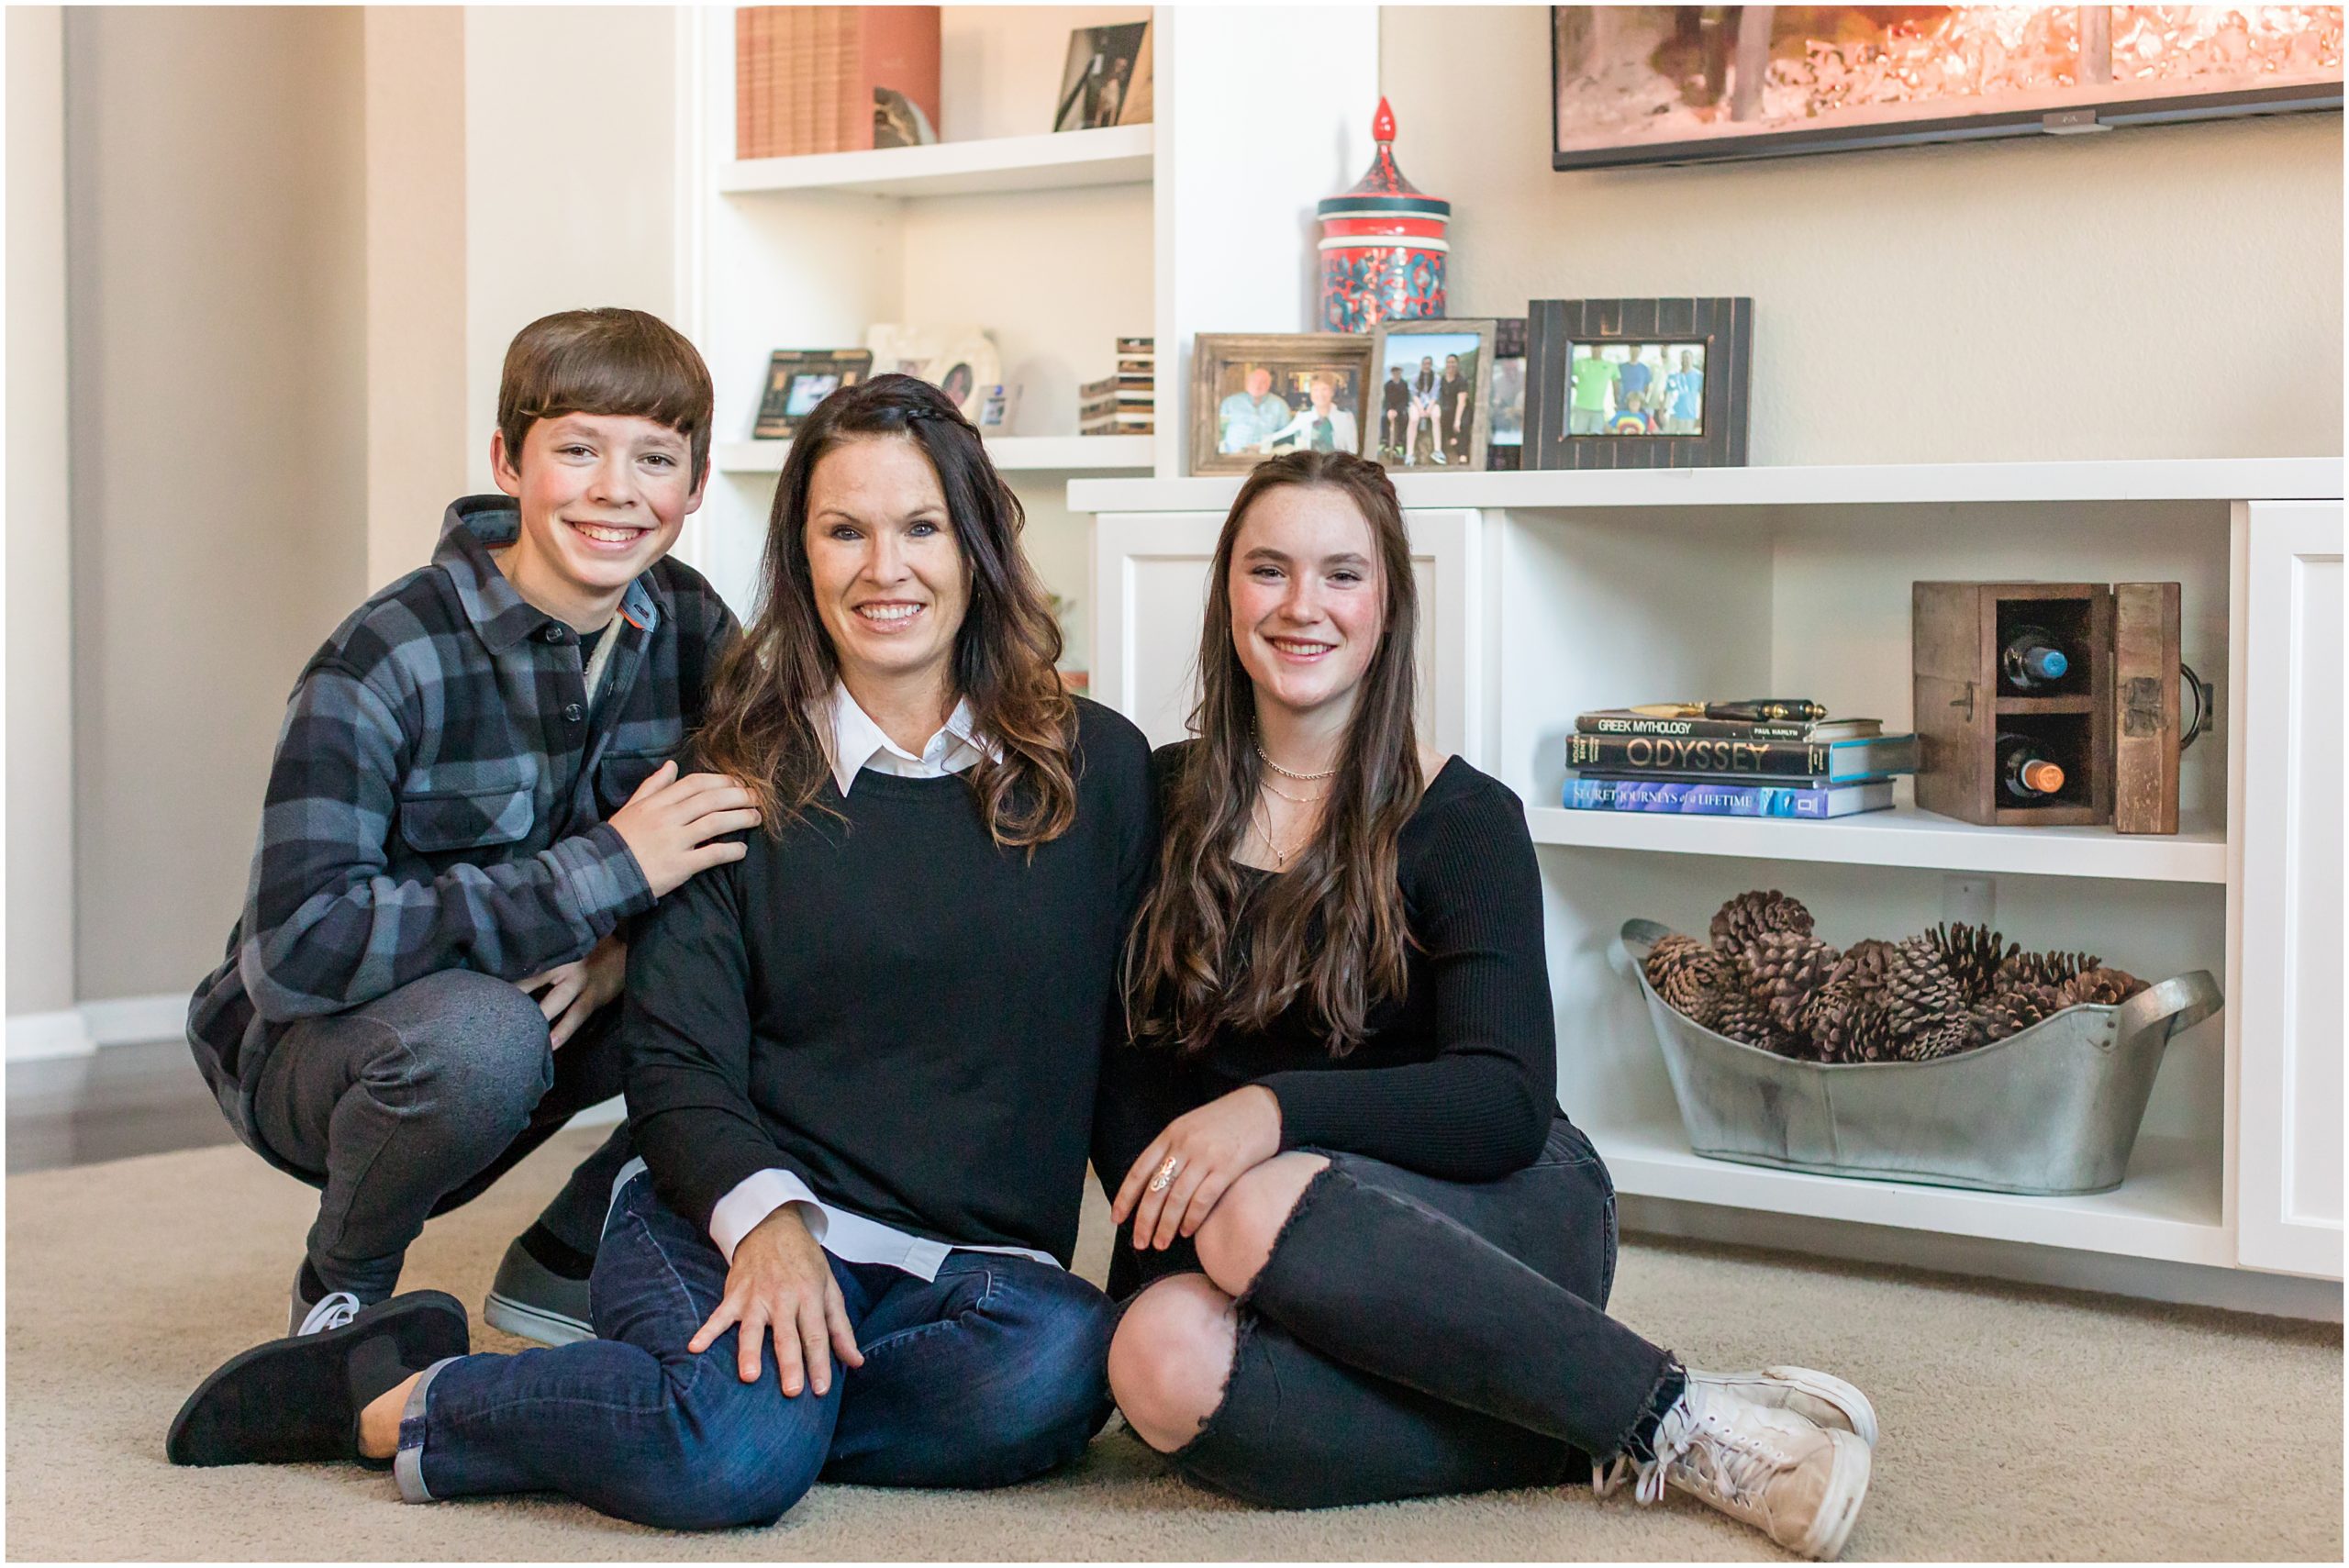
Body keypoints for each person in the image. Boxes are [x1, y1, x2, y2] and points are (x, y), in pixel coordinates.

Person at [169, 374, 1156, 1534]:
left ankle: (706, 1403)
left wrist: (1168, 1283)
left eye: (921, 527)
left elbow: (1128, 1041)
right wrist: (772, 1225)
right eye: (843, 530)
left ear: (978, 544)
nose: (884, 568)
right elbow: (679, 1060)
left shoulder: (1098, 766)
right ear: (799, 559)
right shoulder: (727, 773)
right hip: (724, 1211)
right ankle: (387, 1396)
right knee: (731, 1462)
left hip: (965, 1262)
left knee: (1060, 1370)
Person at [1092, 450, 1877, 1561]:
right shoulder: (1151, 800)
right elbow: (1121, 1063)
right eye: (1268, 569)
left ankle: (1674, 1420)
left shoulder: (1463, 817)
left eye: (1341, 575)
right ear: (1227, 591)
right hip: (1246, 1242)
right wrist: (1167, 1244)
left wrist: (1270, 1111)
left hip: (1495, 1214)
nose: (1301, 605)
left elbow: (1503, 1100)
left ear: (1389, 606)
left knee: (1257, 1201)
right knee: (1154, 1359)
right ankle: (1568, 1421)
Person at [174, 307, 744, 1372]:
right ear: (507, 461)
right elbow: (298, 947)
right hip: (337, 1048)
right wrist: (601, 875)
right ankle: (340, 1292)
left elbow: (746, 839)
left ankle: (569, 1252)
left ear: (696, 485)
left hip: (558, 1012)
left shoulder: (696, 626)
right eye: (577, 448)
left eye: (655, 458)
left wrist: (628, 950)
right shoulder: (384, 656)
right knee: (481, 1037)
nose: (616, 489)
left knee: (788, 973)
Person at [1264, 373, 1359, 457]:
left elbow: (1353, 449)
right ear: (1311, 393)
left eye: (1324, 389)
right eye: (1315, 390)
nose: (1320, 394)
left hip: (1337, 467)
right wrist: (1262, 441)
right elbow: (1285, 432)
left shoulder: (1345, 416)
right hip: (1310, 466)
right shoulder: (1303, 415)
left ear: (1332, 392)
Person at [1219, 366, 1293, 454]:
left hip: (1266, 457)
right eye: (1254, 381)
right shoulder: (1230, 402)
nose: (1258, 385)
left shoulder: (1280, 405)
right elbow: (1219, 431)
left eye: (1263, 382)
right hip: (1233, 455)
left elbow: (1286, 435)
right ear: (1246, 383)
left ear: (1269, 384)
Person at [1569, 347, 1620, 436]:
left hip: (1599, 410)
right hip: (1581, 408)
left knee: (1597, 438)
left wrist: (1616, 401)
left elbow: (1616, 383)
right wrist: (1574, 385)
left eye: (1599, 347)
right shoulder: (1580, 363)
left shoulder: (1610, 366)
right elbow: (1565, 373)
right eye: (1594, 347)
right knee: (1577, 436)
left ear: (1603, 348)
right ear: (1590, 348)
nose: (1596, 349)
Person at [1406, 353, 1443, 462]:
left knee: (1436, 416)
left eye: (1429, 364)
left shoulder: (1436, 378)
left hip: (1431, 404)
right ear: (1421, 365)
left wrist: (1429, 409)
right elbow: (1414, 395)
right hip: (1417, 404)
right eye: (1425, 364)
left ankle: (1437, 450)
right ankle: (1409, 453)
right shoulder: (1415, 378)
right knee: (1414, 419)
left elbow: (1435, 395)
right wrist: (1421, 409)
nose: (1427, 366)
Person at [1439, 351, 1475, 462]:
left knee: (1463, 425)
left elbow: (1462, 402)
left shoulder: (1461, 380)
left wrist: (1457, 420)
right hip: (1448, 409)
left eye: (1453, 362)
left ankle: (1463, 455)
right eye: (1448, 362)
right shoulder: (1442, 380)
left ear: (1457, 364)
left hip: (1463, 409)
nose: (1451, 365)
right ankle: (1452, 441)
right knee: (1444, 417)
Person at [1663, 349, 1704, 436]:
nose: (1685, 361)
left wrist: (1701, 417)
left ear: (1692, 359)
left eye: (1687, 358)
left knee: (1685, 445)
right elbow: (1665, 394)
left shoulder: (1699, 376)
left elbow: (1703, 397)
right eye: (1683, 358)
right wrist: (1661, 412)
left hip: (1689, 416)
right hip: (1673, 415)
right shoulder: (1673, 375)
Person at [1379, 363, 1411, 459]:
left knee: (1404, 418)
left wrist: (1397, 410)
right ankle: (1384, 442)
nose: (1396, 374)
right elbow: (1387, 399)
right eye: (1394, 372)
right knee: (1383, 417)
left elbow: (1405, 399)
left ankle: (1400, 443)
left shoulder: (1404, 384)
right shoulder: (1388, 385)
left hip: (1400, 408)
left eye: (1398, 372)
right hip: (1390, 408)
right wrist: (1390, 410)